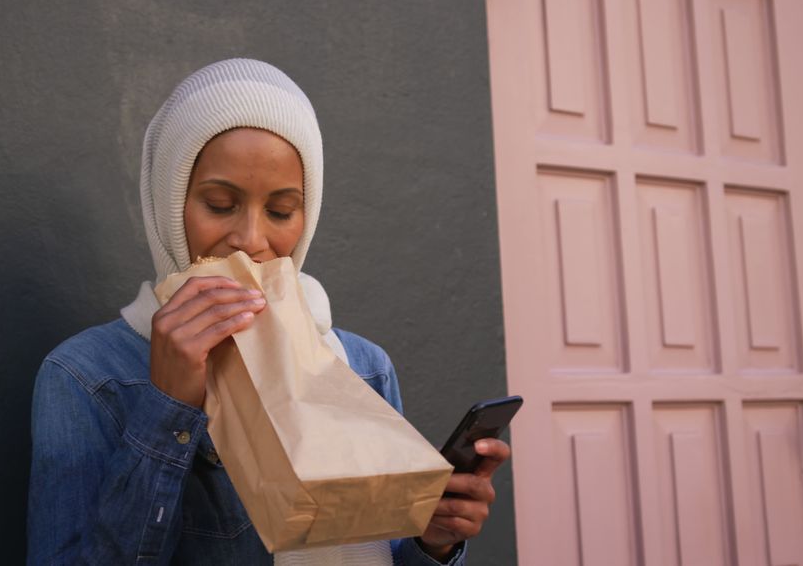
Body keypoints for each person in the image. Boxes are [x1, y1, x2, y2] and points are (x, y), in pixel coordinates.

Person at [28, 58, 510, 565]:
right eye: (219, 204)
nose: (250, 241)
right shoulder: (87, 378)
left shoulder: (362, 367)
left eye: (281, 212)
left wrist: (433, 540)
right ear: (168, 205)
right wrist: (168, 405)